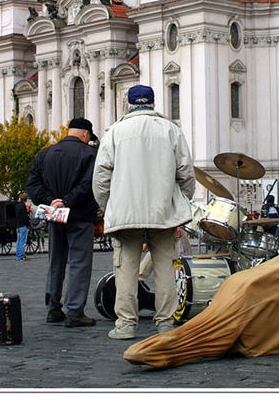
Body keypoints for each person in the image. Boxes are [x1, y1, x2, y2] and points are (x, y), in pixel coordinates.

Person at [93, 84, 195, 340]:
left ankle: (126, 324)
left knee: (125, 269)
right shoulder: (171, 130)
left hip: (126, 214)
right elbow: (186, 173)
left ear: (129, 103)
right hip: (163, 212)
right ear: (152, 103)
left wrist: (108, 206)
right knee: (164, 268)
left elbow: (101, 177)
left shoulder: (114, 132)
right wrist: (181, 201)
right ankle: (166, 323)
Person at [27, 117, 99, 327]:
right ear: (85, 135)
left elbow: (32, 184)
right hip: (79, 215)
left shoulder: (45, 154)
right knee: (79, 262)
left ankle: (53, 308)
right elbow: (88, 184)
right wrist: (67, 201)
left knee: (55, 261)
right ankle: (75, 311)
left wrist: (51, 201)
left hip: (53, 214)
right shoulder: (89, 154)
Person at [15, 192, 30, 262]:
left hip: (18, 225)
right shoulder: (23, 206)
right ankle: (21, 256)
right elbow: (25, 217)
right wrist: (28, 223)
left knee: (18, 241)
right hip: (23, 225)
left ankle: (18, 256)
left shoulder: (17, 205)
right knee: (22, 242)